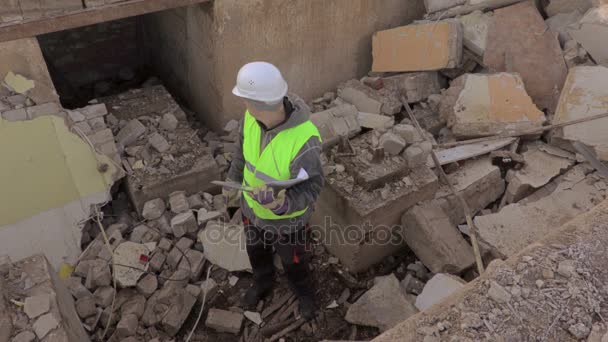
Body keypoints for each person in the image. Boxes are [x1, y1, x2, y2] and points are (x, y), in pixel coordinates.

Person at [223, 61, 324, 320]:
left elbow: (312, 188)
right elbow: (241, 153)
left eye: (245, 100)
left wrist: (281, 205)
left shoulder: (305, 140)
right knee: (256, 250)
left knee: (294, 262)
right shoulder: (251, 118)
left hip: (286, 223)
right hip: (252, 209)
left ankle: (304, 293)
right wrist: (233, 180)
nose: (244, 105)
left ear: (255, 103)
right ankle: (263, 282)